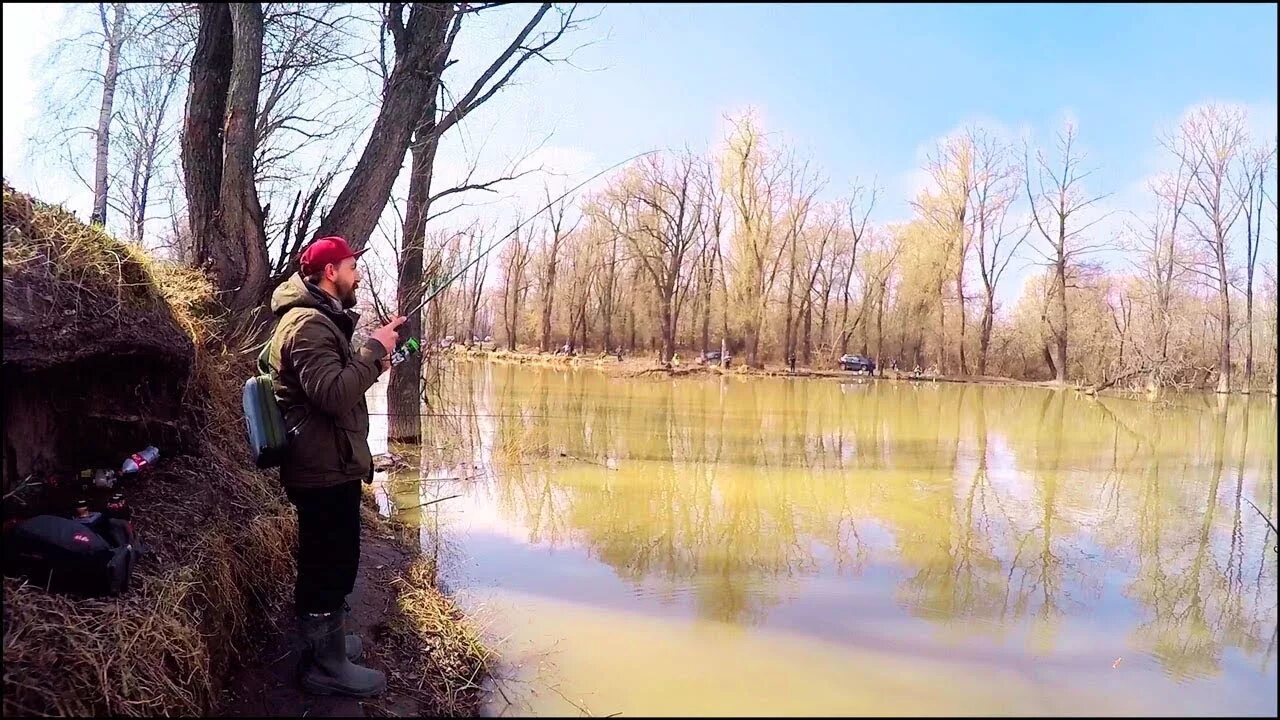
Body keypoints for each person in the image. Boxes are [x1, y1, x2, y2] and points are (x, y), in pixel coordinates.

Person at [266, 236, 406, 698]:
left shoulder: (324, 321)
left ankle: (326, 643)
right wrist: (369, 351)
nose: (357, 274)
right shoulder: (307, 325)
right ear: (331, 272)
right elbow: (332, 394)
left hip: (332, 463)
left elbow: (341, 381)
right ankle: (326, 666)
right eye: (352, 266)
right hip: (321, 469)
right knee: (329, 564)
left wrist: (378, 352)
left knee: (332, 560)